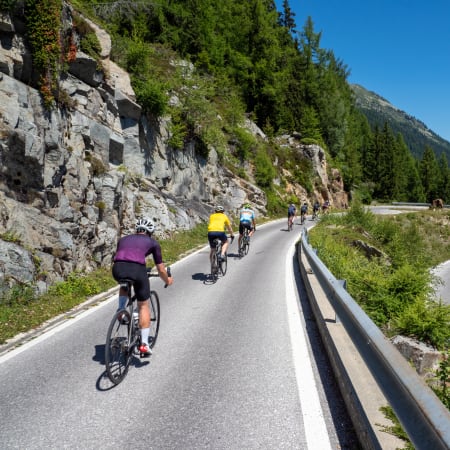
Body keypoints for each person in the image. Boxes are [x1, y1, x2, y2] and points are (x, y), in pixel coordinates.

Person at [112, 217, 173, 357]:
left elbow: (121, 256)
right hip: (137, 269)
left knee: (124, 284)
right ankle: (144, 344)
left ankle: (121, 309)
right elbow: (161, 270)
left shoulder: (124, 239)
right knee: (143, 305)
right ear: (150, 231)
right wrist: (168, 280)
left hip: (117, 268)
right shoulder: (153, 242)